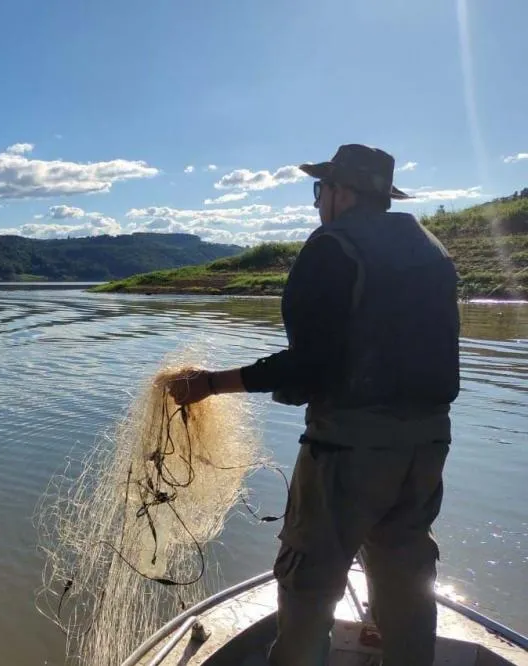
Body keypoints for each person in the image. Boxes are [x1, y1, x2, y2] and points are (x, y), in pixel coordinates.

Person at [164, 144, 460, 666]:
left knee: (309, 587)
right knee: (407, 581)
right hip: (428, 444)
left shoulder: (333, 247)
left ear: (343, 192)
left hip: (350, 450)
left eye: (320, 189)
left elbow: (308, 368)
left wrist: (209, 385)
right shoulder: (429, 248)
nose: (318, 201)